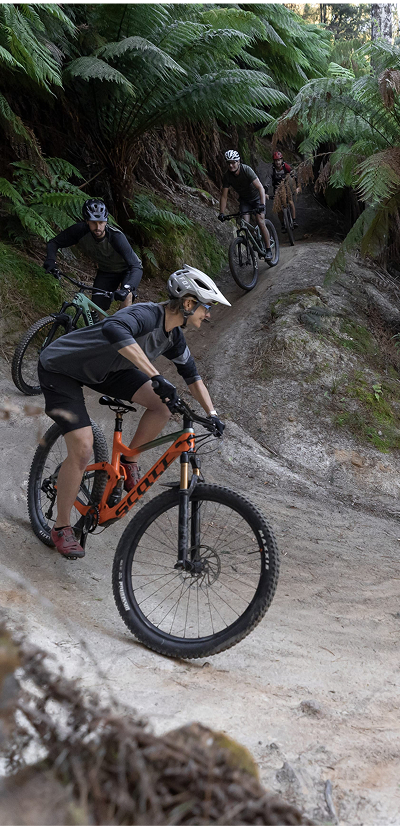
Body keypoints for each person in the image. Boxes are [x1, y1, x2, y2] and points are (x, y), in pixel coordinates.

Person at [38, 265, 230, 560]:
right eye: (207, 307)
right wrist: (155, 375)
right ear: (189, 304)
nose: (209, 314)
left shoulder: (174, 336)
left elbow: (192, 376)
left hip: (108, 372)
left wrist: (213, 413)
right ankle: (62, 527)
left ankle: (130, 460)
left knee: (163, 405)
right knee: (83, 447)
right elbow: (113, 328)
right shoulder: (146, 314)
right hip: (62, 367)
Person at [43, 199, 143, 311]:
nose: (98, 227)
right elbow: (54, 242)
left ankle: (123, 326)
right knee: (97, 307)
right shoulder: (80, 231)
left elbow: (136, 266)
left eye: (101, 222)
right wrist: (51, 260)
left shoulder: (116, 237)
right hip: (106, 271)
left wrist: (127, 288)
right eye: (93, 222)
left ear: (106, 221)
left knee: (126, 297)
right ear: (87, 221)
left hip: (127, 270)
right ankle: (100, 328)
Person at [218, 150, 272, 261]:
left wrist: (262, 204)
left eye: (233, 162)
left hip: (257, 198)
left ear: (238, 162)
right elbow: (224, 196)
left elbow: (260, 188)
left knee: (260, 221)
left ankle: (268, 250)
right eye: (229, 163)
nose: (231, 165)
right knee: (245, 225)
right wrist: (222, 213)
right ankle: (256, 242)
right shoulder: (227, 176)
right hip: (245, 201)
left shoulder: (246, 170)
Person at [268, 151, 300, 233]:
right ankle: (283, 224)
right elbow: (267, 180)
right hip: (277, 188)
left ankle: (294, 220)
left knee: (290, 202)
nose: (277, 162)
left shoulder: (286, 166)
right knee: (279, 207)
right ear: (274, 161)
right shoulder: (272, 169)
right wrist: (265, 192)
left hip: (286, 187)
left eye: (279, 160)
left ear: (282, 160)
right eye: (276, 161)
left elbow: (294, 175)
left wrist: (297, 187)